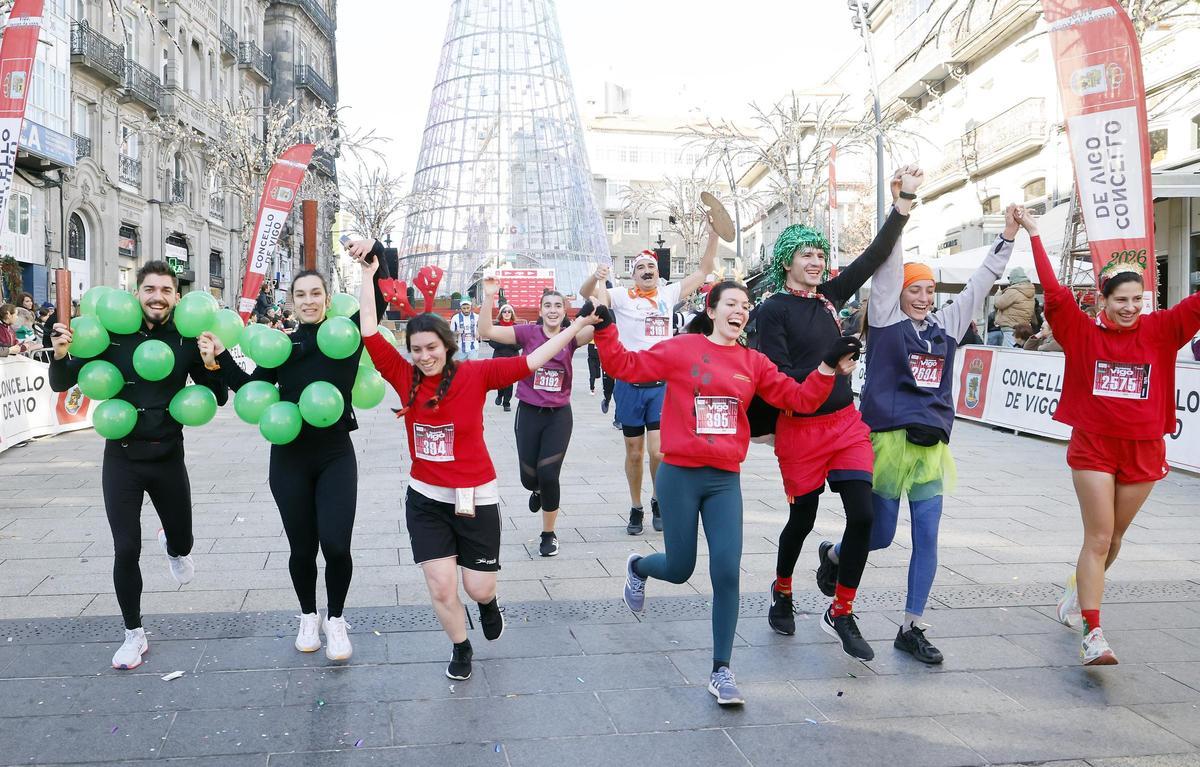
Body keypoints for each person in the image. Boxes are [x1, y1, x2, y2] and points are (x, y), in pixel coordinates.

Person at [589, 281, 861, 706]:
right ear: (712, 310)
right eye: (731, 304)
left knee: (727, 572)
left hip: (723, 480)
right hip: (679, 475)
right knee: (680, 569)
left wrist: (826, 368)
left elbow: (798, 399)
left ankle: (721, 670)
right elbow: (625, 365)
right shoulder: (681, 349)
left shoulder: (753, 362)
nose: (740, 311)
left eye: (745, 306)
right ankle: (640, 566)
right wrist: (605, 329)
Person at [360, 260, 592, 682]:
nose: (425, 356)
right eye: (417, 349)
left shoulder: (475, 374)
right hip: (427, 499)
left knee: (478, 586)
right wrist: (366, 274)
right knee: (441, 586)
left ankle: (488, 604)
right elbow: (369, 332)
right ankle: (460, 646)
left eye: (432, 347)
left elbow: (531, 360)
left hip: (475, 497)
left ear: (446, 346)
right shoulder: (403, 375)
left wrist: (574, 328)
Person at [752, 166, 919, 660]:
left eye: (821, 254)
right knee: (801, 519)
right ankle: (782, 589)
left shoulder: (830, 298)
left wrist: (903, 203)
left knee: (863, 515)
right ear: (787, 261)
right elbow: (780, 380)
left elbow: (872, 257)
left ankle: (840, 610)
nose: (817, 261)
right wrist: (828, 365)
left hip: (844, 425)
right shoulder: (772, 310)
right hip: (799, 429)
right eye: (808, 253)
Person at [1018, 211, 1200, 665]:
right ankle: (1092, 631)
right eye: (1121, 299)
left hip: (1144, 449)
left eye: (1137, 299)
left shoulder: (1162, 330)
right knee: (1098, 538)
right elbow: (1055, 291)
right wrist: (1036, 234)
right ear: (1103, 299)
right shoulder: (1080, 332)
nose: (1130, 307)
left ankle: (1073, 594)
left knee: (1115, 539)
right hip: (1094, 447)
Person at [845, 203, 1021, 665]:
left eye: (928, 290)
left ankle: (911, 625)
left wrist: (1006, 237)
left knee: (927, 535)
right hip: (886, 443)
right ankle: (836, 553)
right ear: (899, 294)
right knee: (879, 535)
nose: (923, 297)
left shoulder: (947, 326)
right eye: (914, 290)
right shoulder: (884, 322)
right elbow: (888, 270)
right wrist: (900, 208)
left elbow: (982, 282)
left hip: (929, 450)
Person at [197, 240, 387, 662]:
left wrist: (375, 257)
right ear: (292, 301)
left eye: (315, 293)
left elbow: (385, 300)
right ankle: (308, 616)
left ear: (327, 297)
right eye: (300, 295)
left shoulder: (348, 335)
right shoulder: (283, 345)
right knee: (302, 548)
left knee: (336, 545)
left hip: (336, 453)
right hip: (289, 457)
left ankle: (336, 619)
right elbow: (251, 389)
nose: (308, 301)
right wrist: (218, 357)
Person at [47, 261, 228, 670]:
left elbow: (217, 397)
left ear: (176, 297)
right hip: (122, 456)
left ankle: (174, 545)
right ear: (137, 294)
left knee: (183, 542)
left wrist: (212, 362)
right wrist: (59, 354)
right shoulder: (112, 336)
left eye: (166, 289)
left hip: (168, 454)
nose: (158, 296)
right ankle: (133, 634)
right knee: (126, 548)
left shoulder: (186, 339)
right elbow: (62, 382)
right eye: (150, 289)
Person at [580, 234, 718, 535]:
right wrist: (596, 278)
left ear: (658, 273)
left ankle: (657, 499)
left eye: (651, 267)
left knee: (659, 452)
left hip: (661, 385)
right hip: (629, 384)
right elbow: (588, 296)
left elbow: (705, 269)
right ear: (633, 274)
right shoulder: (620, 296)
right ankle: (635, 506)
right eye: (640, 267)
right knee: (634, 452)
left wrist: (714, 232)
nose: (646, 271)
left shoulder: (668, 295)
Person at [479, 278, 595, 557]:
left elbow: (599, 324)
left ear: (565, 311)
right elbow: (486, 330)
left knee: (548, 473)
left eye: (558, 305)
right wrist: (489, 297)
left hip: (558, 415)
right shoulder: (527, 333)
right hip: (529, 412)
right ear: (540, 310)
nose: (553, 310)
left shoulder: (573, 335)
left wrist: (598, 284)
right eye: (548, 306)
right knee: (529, 479)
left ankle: (548, 533)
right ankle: (538, 490)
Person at [487, 303, 520, 412]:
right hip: (499, 357)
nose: (507, 313)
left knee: (509, 381)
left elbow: (520, 344)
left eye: (509, 311)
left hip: (512, 357)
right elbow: (492, 342)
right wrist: (505, 340)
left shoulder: (516, 327)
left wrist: (508, 342)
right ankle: (500, 395)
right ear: (501, 314)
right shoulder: (496, 326)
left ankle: (507, 402)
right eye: (504, 311)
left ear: (512, 314)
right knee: (500, 380)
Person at [994, 267, 1036, 346]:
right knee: (1016, 350)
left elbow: (999, 303)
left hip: (1011, 327)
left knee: (1009, 353)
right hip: (1021, 328)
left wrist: (999, 292)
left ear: (1014, 278)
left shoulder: (1014, 290)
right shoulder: (1029, 290)